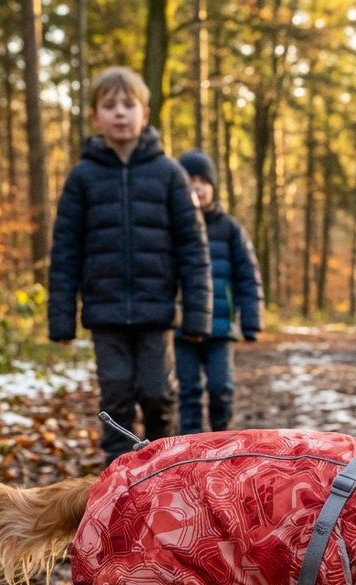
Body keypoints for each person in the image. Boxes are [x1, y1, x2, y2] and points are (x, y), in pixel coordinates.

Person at [48, 67, 212, 464]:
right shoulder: (82, 178)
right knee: (116, 395)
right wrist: (61, 318)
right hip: (105, 314)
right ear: (94, 117)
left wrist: (197, 315)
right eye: (109, 106)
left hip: (156, 312)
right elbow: (65, 251)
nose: (120, 113)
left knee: (158, 394)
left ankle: (163, 469)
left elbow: (193, 247)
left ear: (145, 114)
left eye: (128, 105)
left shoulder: (169, 174)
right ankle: (116, 475)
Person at [174, 151, 264, 434]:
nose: (197, 187)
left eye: (203, 181)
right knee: (188, 391)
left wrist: (251, 321)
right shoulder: (172, 227)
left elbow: (248, 276)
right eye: (190, 181)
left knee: (221, 387)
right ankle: (189, 446)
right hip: (181, 327)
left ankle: (220, 435)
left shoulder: (230, 228)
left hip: (220, 326)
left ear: (213, 186)